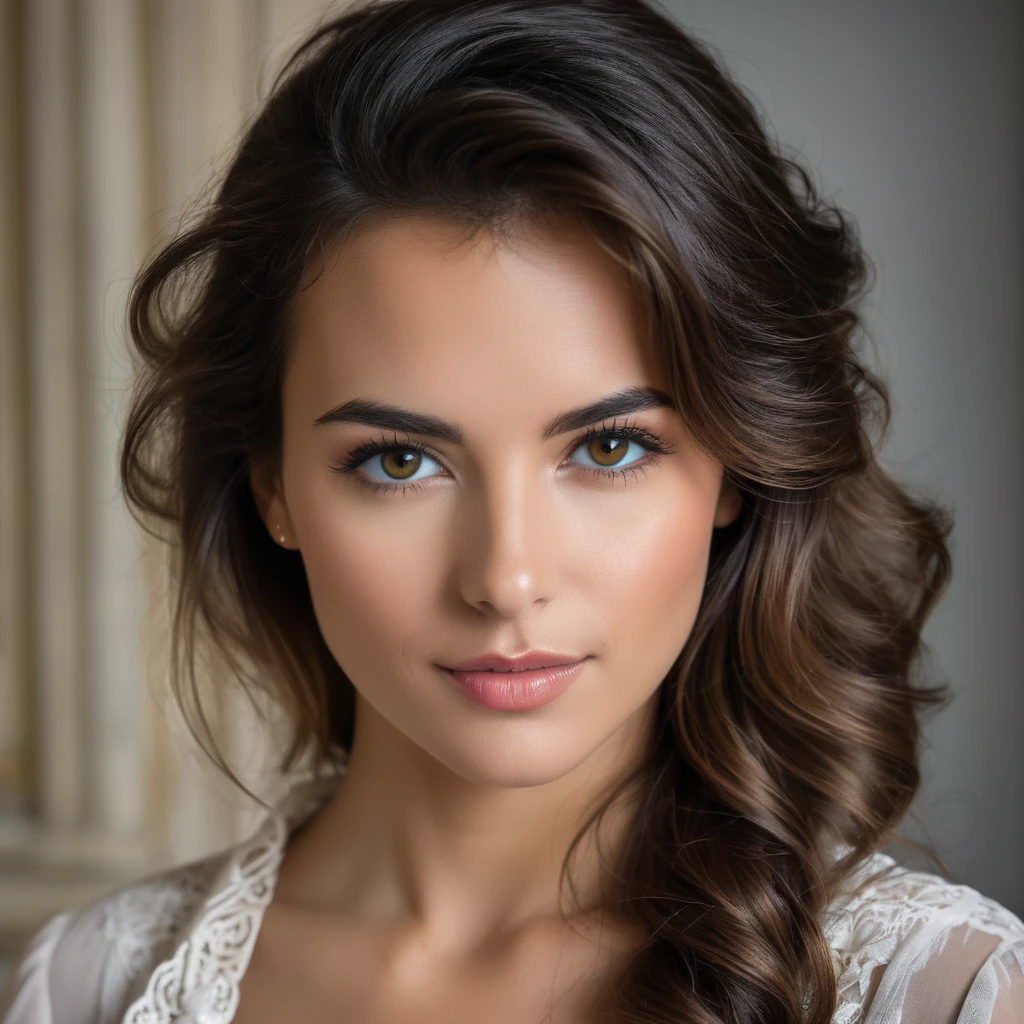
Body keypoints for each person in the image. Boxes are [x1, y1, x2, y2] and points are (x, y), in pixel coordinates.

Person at [3, 0, 1022, 1021]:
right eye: (399, 459)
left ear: (732, 466)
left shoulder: (936, 994)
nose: (505, 577)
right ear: (271, 483)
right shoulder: (89, 989)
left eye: (608, 446)